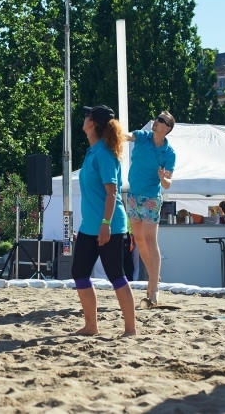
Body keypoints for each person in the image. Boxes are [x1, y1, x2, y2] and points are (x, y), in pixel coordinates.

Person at [71, 105, 136, 337]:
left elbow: (112, 193)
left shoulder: (105, 154)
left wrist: (106, 224)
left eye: (87, 115)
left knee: (116, 275)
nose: (84, 117)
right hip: (89, 227)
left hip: (109, 225)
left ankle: (130, 329)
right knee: (79, 272)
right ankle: (91, 326)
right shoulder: (92, 151)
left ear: (93, 124)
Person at [124, 110, 176, 308]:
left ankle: (153, 290)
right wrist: (112, 129)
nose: (156, 121)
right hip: (133, 197)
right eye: (156, 118)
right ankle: (155, 276)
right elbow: (128, 135)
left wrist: (164, 178)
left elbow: (168, 184)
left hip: (150, 199)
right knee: (138, 241)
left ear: (167, 128)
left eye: (161, 120)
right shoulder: (143, 137)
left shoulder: (169, 153)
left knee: (150, 241)